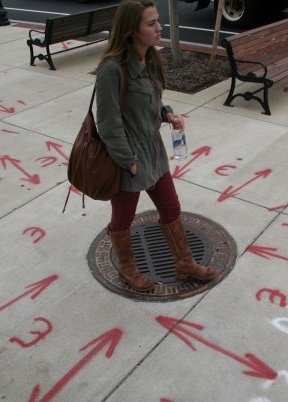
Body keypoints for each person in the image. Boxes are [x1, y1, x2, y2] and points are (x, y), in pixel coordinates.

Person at [95, 0, 216, 292]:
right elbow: (108, 124)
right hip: (129, 158)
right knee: (123, 218)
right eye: (151, 23)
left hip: (154, 151)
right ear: (131, 31)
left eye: (158, 21)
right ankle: (127, 270)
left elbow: (150, 100)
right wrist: (129, 161)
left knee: (171, 206)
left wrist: (166, 114)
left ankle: (184, 262)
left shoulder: (150, 60)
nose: (159, 27)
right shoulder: (112, 70)